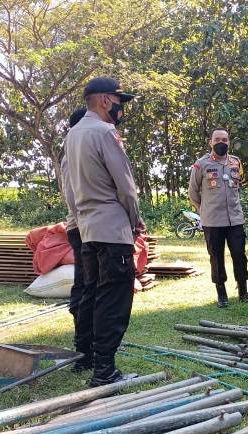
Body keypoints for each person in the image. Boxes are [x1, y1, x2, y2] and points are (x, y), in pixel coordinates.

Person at [62, 76, 142, 386]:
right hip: (112, 229)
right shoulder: (105, 132)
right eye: (119, 101)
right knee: (114, 301)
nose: (121, 108)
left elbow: (69, 189)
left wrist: (81, 219)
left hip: (87, 229)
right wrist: (134, 221)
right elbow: (126, 187)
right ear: (106, 100)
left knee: (93, 294)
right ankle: (105, 371)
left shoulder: (73, 135)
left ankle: (89, 357)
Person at [189, 128, 248, 307]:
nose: (221, 143)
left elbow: (238, 186)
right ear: (210, 142)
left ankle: (243, 292)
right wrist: (203, 211)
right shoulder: (201, 164)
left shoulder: (235, 162)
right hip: (212, 221)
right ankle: (222, 295)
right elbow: (193, 193)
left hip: (235, 219)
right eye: (217, 139)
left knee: (240, 256)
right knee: (216, 258)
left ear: (229, 142)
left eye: (224, 140)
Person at [62, 106, 88, 371]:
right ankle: (84, 349)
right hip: (83, 229)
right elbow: (72, 197)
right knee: (85, 287)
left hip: (89, 227)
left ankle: (89, 347)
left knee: (92, 286)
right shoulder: (73, 153)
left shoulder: (82, 150)